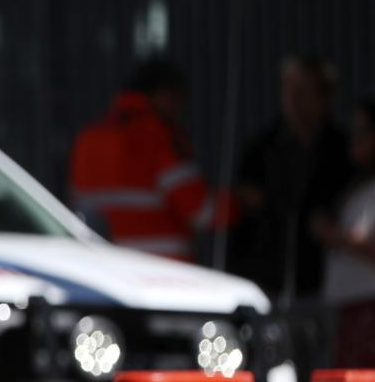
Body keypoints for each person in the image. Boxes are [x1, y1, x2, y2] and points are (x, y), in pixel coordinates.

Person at [68, 57, 218, 262]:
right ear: (165, 94)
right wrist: (242, 203)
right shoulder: (159, 136)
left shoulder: (88, 140)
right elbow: (200, 210)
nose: (180, 110)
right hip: (165, 272)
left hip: (105, 270)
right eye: (179, 100)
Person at [230, 56, 352, 307]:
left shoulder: (343, 152)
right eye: (288, 88)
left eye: (304, 90)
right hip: (267, 279)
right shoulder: (261, 150)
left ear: (324, 97)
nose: (294, 99)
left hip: (325, 282)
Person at [316, 100, 375, 367]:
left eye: (363, 132)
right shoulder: (355, 185)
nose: (354, 140)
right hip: (349, 310)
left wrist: (338, 237)